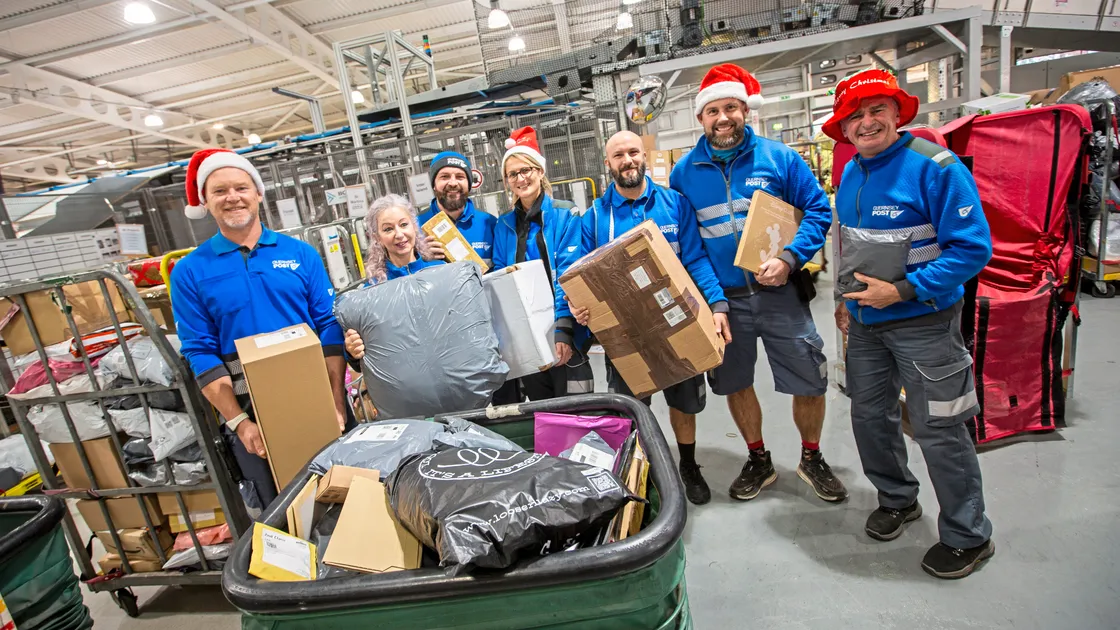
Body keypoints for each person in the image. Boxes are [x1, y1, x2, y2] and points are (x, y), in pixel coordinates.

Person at [824, 68, 995, 579]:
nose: (866, 122)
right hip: (865, 323)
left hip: (925, 322)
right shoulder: (851, 173)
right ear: (844, 129)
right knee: (869, 418)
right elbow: (853, 247)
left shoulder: (934, 167)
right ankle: (898, 498)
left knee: (939, 426)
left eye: (876, 110)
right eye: (854, 116)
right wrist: (845, 301)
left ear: (897, 113)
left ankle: (968, 535)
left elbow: (972, 249)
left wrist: (901, 291)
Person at [670, 63, 846, 504]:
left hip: (781, 293)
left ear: (745, 110)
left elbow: (817, 211)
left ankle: (812, 456)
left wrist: (790, 258)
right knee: (735, 383)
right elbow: (691, 247)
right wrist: (714, 302)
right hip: (727, 302)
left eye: (731, 108)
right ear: (700, 118)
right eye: (713, 111)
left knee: (809, 379)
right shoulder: (684, 174)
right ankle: (758, 458)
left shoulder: (779, 158)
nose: (723, 118)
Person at [172, 148, 350, 508]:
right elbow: (199, 351)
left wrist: (335, 403)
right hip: (250, 412)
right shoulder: (190, 271)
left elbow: (329, 328)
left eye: (241, 187)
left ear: (258, 193)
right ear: (205, 201)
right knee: (281, 511)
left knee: (347, 494)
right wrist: (240, 423)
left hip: (317, 397)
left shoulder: (300, 254)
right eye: (220, 191)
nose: (232, 197)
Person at [570, 130, 732, 505]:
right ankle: (642, 472)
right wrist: (578, 305)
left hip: (677, 323)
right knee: (631, 408)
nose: (627, 160)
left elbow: (695, 259)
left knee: (684, 404)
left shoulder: (674, 204)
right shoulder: (596, 216)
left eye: (633, 152)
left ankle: (688, 465)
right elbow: (580, 273)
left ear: (644, 156)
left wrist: (717, 304)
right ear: (607, 164)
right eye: (618, 155)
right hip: (626, 336)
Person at [491, 126, 593, 399]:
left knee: (577, 409)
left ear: (540, 171)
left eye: (526, 170)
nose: (521, 178)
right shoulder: (504, 225)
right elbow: (501, 279)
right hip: (527, 338)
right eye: (513, 174)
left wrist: (564, 330)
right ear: (507, 181)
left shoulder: (565, 214)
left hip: (564, 329)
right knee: (541, 410)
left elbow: (568, 273)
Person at [343, 194, 444, 359]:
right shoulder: (371, 293)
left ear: (414, 226)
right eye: (388, 229)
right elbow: (365, 352)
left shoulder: (441, 272)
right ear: (377, 238)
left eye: (404, 224)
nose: (399, 234)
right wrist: (352, 350)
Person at [417, 151, 496, 268]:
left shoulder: (489, 223)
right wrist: (420, 259)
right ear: (434, 184)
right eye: (444, 177)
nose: (453, 183)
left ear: (469, 184)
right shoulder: (415, 226)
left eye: (460, 177)